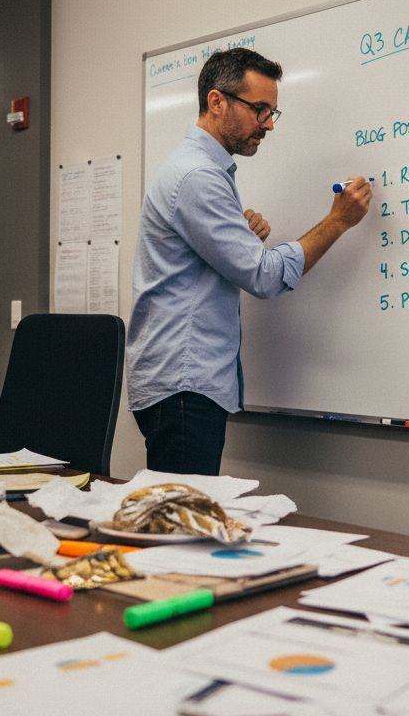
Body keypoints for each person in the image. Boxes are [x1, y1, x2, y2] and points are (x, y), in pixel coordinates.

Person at [126, 48, 371, 475]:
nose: (269, 124)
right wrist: (337, 222)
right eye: (259, 109)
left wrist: (237, 235)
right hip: (184, 387)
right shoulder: (198, 177)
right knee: (182, 532)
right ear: (217, 101)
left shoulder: (198, 171)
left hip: (182, 386)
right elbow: (264, 276)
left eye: (274, 112)